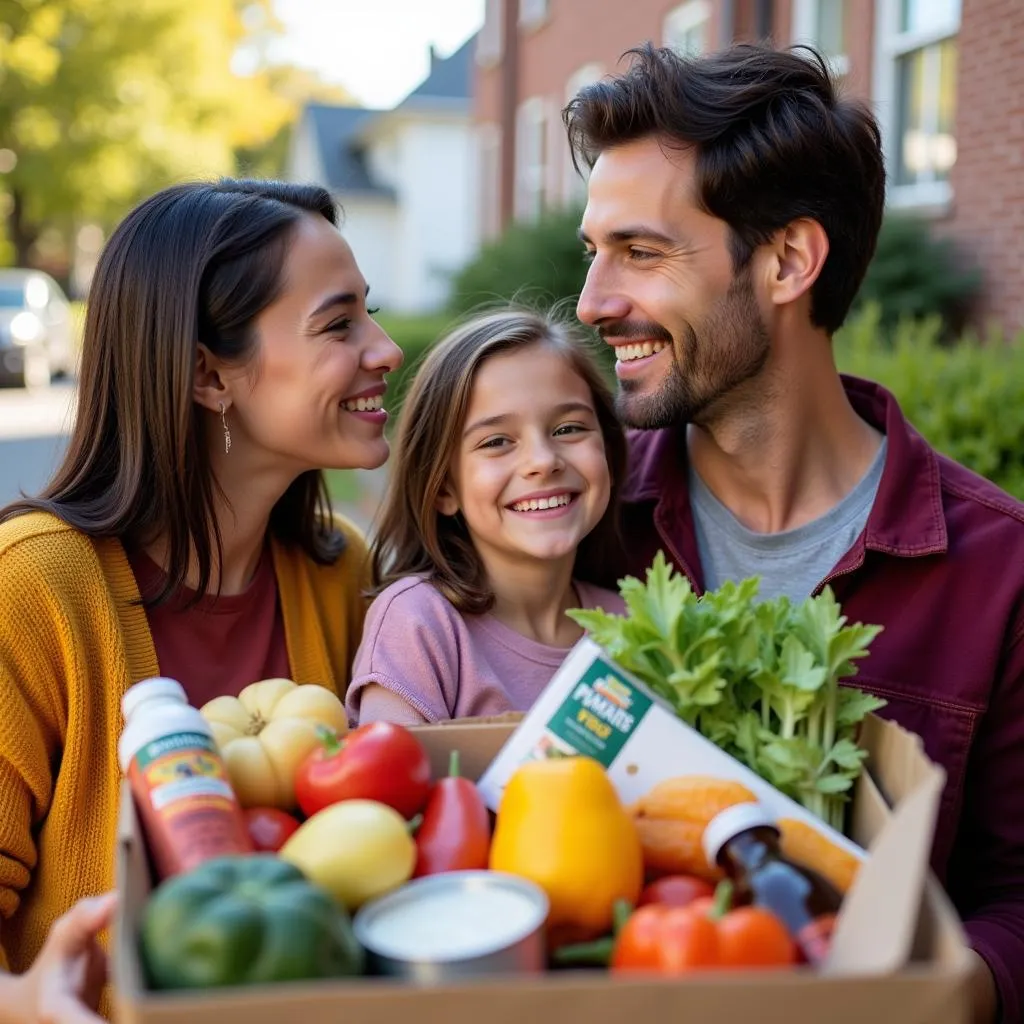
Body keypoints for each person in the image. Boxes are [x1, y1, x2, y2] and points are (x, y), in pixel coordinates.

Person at [565, 41, 1022, 1023]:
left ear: (786, 260)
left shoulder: (1000, 569)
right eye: (591, 252)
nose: (592, 301)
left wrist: (932, 992)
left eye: (639, 253)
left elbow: (1019, 893)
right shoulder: (575, 524)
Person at [0, 179, 402, 1021]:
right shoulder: (32, 590)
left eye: (369, 313)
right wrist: (28, 1002)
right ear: (206, 375)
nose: (386, 349)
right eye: (339, 324)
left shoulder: (345, 576)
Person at [345, 308, 627, 726]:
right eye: (497, 441)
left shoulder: (634, 627)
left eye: (568, 429)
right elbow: (388, 780)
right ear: (443, 488)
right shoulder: (418, 622)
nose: (542, 461)